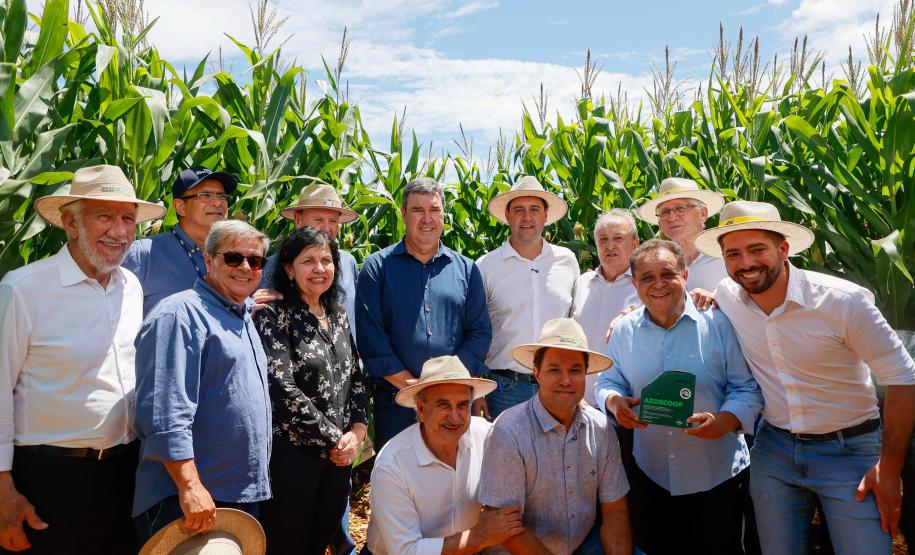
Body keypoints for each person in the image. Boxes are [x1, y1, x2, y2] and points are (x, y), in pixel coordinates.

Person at [694, 200, 915, 554]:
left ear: (783, 250)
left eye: (757, 250)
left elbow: (903, 376)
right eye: (733, 254)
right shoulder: (727, 296)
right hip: (774, 451)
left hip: (852, 451)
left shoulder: (842, 302)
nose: (746, 263)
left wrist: (889, 468)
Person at [0, 165, 165, 553]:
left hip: (125, 474)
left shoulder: (131, 286)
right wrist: (3, 490)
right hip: (49, 480)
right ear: (71, 224)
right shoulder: (23, 290)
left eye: (128, 218)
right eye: (104, 216)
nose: (120, 231)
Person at [596, 239, 763, 554]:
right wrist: (613, 401)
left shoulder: (719, 323)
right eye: (647, 277)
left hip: (717, 475)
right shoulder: (623, 330)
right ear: (634, 284)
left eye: (667, 274)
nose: (658, 284)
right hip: (651, 474)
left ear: (685, 275)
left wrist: (725, 421)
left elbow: (746, 387)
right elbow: (609, 379)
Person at [132, 220, 272, 545]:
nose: (246, 267)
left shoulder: (241, 315)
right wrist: (189, 486)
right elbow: (166, 414)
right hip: (188, 501)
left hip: (236, 495)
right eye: (234, 258)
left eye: (256, 261)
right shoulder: (179, 315)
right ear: (208, 260)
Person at [253, 227, 367, 554]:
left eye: (326, 260)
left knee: (319, 541)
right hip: (293, 457)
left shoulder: (339, 315)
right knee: (288, 544)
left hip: (339, 459)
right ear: (289, 268)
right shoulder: (275, 315)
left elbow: (354, 379)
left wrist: (357, 432)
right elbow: (281, 388)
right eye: (308, 261)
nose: (319, 269)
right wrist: (336, 439)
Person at [356, 177, 492, 449]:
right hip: (396, 404)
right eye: (418, 210)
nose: (426, 218)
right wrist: (416, 388)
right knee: (400, 483)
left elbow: (479, 333)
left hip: (453, 404)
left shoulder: (466, 270)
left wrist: (445, 384)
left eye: (434, 210)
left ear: (444, 215)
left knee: (456, 483)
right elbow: (372, 340)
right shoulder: (376, 268)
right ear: (403, 215)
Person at [479, 318, 631, 555]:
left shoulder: (601, 428)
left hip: (582, 544)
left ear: (586, 374)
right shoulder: (508, 432)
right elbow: (506, 530)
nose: (566, 380)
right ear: (537, 374)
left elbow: (615, 512)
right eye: (554, 370)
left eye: (575, 371)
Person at [366, 356, 524, 554]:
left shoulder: (484, 435)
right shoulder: (393, 463)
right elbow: (405, 551)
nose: (455, 417)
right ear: (421, 409)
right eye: (443, 405)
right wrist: (479, 535)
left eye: (463, 405)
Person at [476, 176, 578, 419]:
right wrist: (476, 391)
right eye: (519, 210)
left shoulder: (567, 261)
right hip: (505, 389)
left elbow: (576, 321)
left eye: (534, 209)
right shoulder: (486, 267)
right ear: (507, 216)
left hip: (558, 386)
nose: (527, 217)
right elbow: (473, 329)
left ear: (545, 215)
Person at [123, 166, 236, 315]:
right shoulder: (142, 255)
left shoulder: (239, 257)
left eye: (222, 196)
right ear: (180, 207)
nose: (218, 203)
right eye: (205, 195)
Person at [255, 183, 360, 335]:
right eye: (318, 220)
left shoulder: (349, 262)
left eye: (333, 221)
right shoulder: (272, 266)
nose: (326, 227)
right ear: (298, 220)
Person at [570, 208, 640, 407]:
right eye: (603, 239)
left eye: (618, 238)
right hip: (581, 404)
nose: (610, 246)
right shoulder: (581, 284)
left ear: (635, 244)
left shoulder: (649, 287)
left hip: (627, 405)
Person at [637, 177, 727, 292]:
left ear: (703, 214)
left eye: (680, 208)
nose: (672, 217)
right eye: (664, 212)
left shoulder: (725, 257)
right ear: (659, 222)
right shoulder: (656, 264)